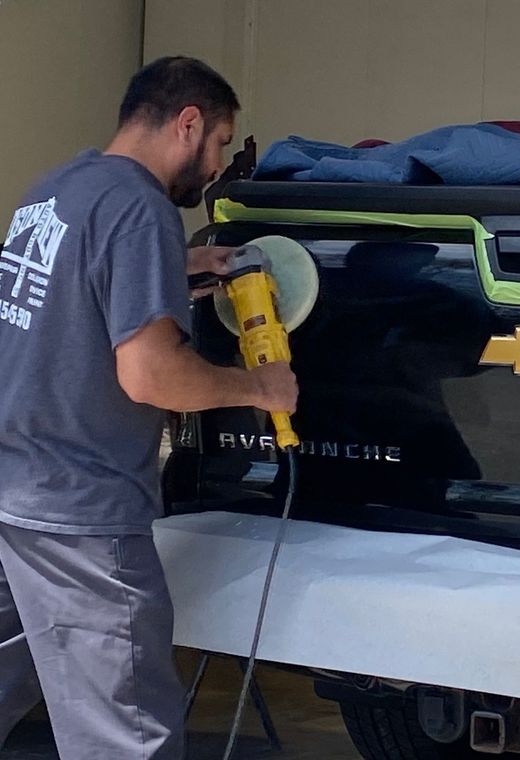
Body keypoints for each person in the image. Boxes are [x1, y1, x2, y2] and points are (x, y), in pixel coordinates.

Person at [0, 56, 298, 759]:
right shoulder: (140, 208)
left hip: (13, 496)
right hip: (81, 513)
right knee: (126, 737)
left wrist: (173, 272)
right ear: (187, 122)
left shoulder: (58, 188)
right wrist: (261, 389)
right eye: (221, 141)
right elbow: (152, 376)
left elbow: (68, 300)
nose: (217, 161)